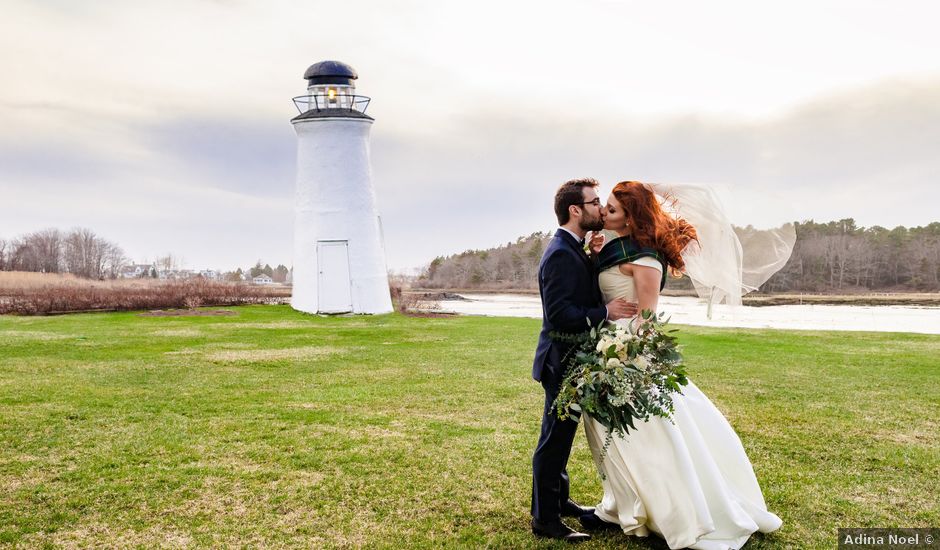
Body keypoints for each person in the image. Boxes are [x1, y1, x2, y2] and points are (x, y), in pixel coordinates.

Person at [578, 181, 783, 549]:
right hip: (603, 347)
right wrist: (593, 250)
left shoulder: (645, 259)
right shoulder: (610, 245)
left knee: (646, 433)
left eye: (611, 209)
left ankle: (676, 512)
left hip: (626, 354)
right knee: (613, 433)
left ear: (630, 217)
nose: (603, 214)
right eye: (605, 207)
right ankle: (623, 504)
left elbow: (647, 316)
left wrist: (629, 359)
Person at [530, 178, 638, 542]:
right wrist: (605, 311)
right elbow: (561, 314)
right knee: (553, 442)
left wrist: (592, 257)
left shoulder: (572, 247)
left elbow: (579, 287)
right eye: (594, 202)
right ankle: (545, 520)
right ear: (575, 210)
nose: (599, 209)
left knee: (561, 436)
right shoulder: (560, 252)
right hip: (561, 361)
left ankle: (560, 502)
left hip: (571, 360)